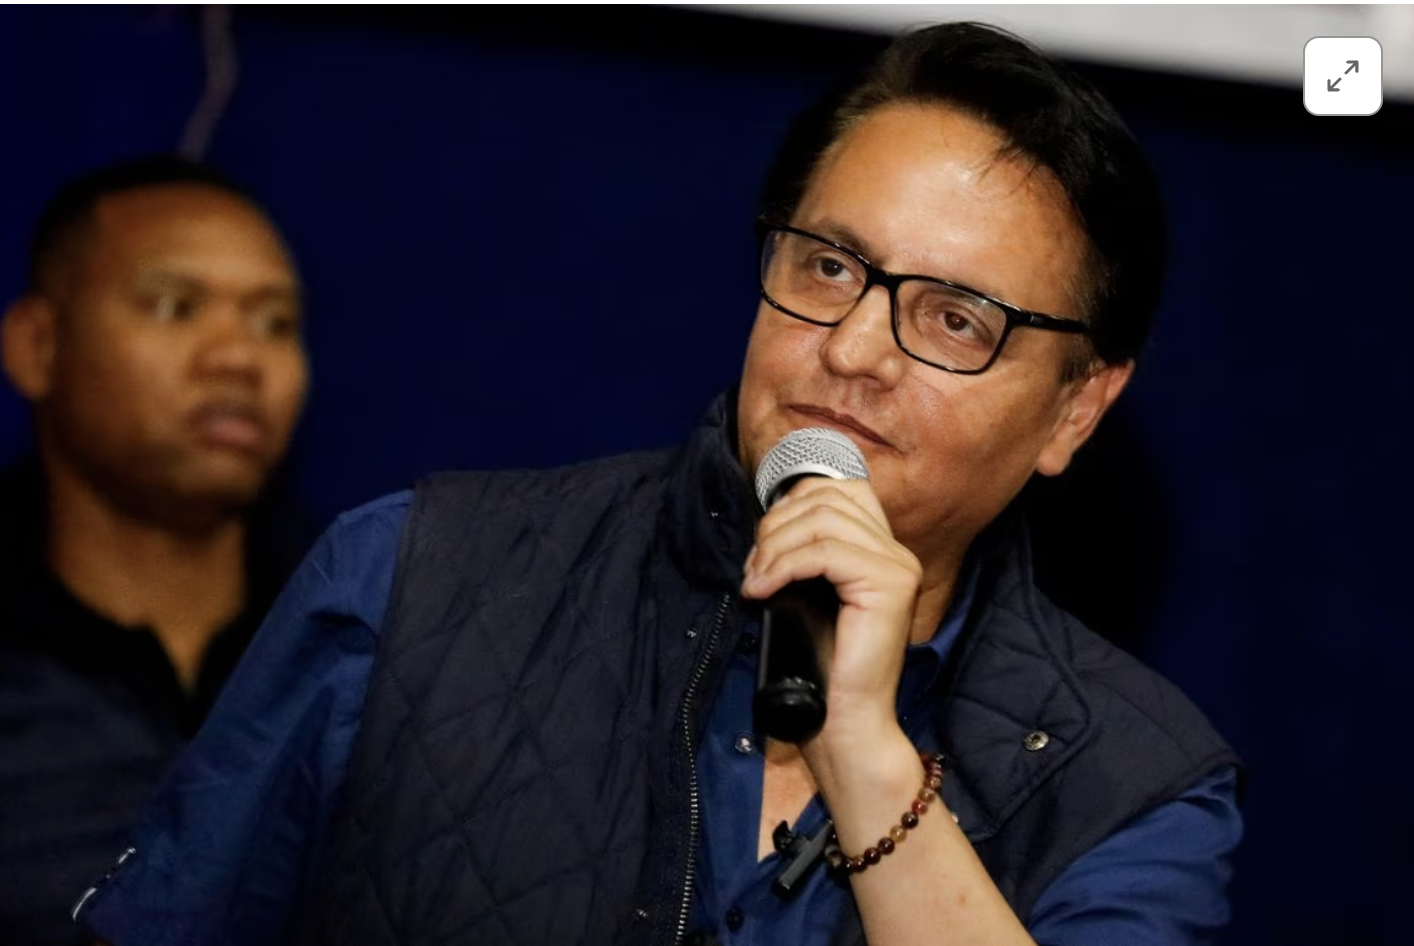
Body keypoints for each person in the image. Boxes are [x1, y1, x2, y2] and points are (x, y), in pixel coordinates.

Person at [76, 23, 1241, 946]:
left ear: (1075, 406)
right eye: (828, 266)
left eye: (954, 318)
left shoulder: (1132, 788)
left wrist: (865, 755)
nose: (852, 349)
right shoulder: (409, 580)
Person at [0, 157, 311, 946]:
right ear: (37, 345)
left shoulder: (374, 647)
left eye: (274, 323)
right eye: (175, 307)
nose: (238, 357)